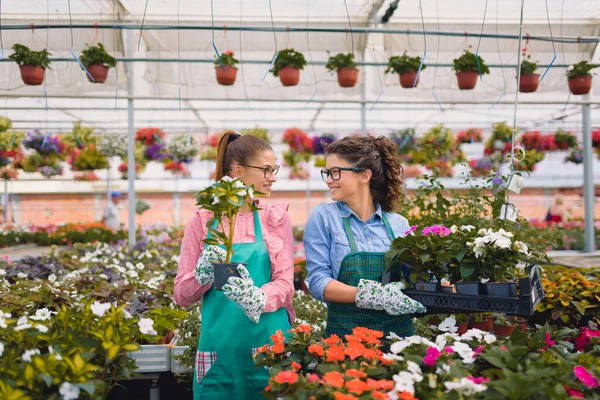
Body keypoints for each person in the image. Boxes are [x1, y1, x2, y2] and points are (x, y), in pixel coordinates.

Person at [174, 130, 295, 400]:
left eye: (274, 169)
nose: (273, 177)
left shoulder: (275, 219)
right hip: (220, 347)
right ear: (238, 172)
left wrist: (259, 298)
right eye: (266, 170)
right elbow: (181, 295)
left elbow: (286, 284)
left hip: (268, 341)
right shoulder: (204, 220)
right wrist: (202, 273)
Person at [303, 135, 426, 338]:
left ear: (364, 175)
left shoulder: (398, 224)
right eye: (327, 173)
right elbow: (318, 282)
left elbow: (417, 277)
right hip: (345, 340)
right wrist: (370, 295)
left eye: (335, 172)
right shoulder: (324, 218)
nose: (329, 180)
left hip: (399, 337)